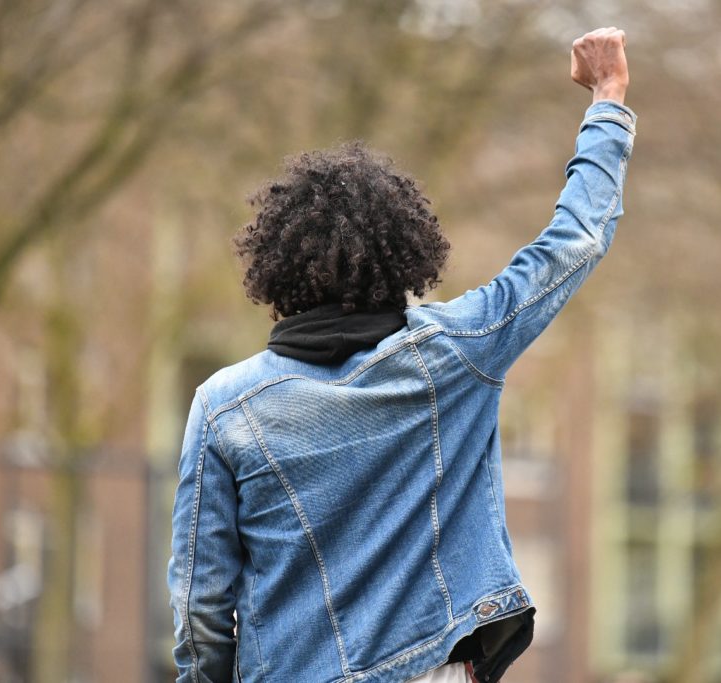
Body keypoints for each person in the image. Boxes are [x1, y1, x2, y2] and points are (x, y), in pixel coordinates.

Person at [167, 26, 635, 683]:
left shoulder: (223, 409)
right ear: (404, 256)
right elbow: (574, 241)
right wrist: (607, 97)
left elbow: (202, 609)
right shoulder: (456, 352)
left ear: (275, 270)